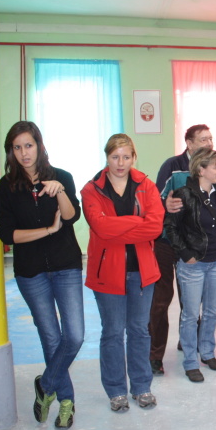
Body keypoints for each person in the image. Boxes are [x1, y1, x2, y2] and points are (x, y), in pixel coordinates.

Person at [0, 121, 84, 429]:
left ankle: (45, 385)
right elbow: (7, 234)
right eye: (17, 147)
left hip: (66, 266)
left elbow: (71, 216)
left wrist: (60, 192)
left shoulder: (62, 177)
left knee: (74, 335)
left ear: (39, 146)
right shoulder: (7, 186)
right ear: (11, 151)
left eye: (29, 145)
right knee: (51, 337)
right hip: (30, 272)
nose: (24, 153)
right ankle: (66, 402)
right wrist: (47, 230)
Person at [81, 134, 163, 412]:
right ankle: (116, 391)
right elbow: (100, 228)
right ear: (107, 157)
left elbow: (155, 227)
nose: (120, 163)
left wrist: (117, 225)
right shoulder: (91, 190)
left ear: (134, 158)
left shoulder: (146, 186)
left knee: (139, 330)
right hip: (107, 273)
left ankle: (141, 387)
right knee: (113, 332)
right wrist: (137, 222)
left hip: (142, 272)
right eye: (115, 156)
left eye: (126, 157)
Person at [149, 124, 216, 375]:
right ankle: (155, 356)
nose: (209, 142)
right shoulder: (172, 166)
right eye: (203, 139)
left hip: (200, 247)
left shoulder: (213, 169)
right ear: (189, 143)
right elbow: (156, 199)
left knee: (194, 303)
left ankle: (194, 347)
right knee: (161, 300)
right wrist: (166, 204)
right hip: (167, 243)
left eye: (211, 138)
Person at [165, 148, 216, 383]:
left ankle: (207, 353)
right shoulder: (183, 195)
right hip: (193, 265)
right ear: (201, 169)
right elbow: (170, 227)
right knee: (191, 315)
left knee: (211, 312)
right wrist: (185, 254)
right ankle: (191, 362)